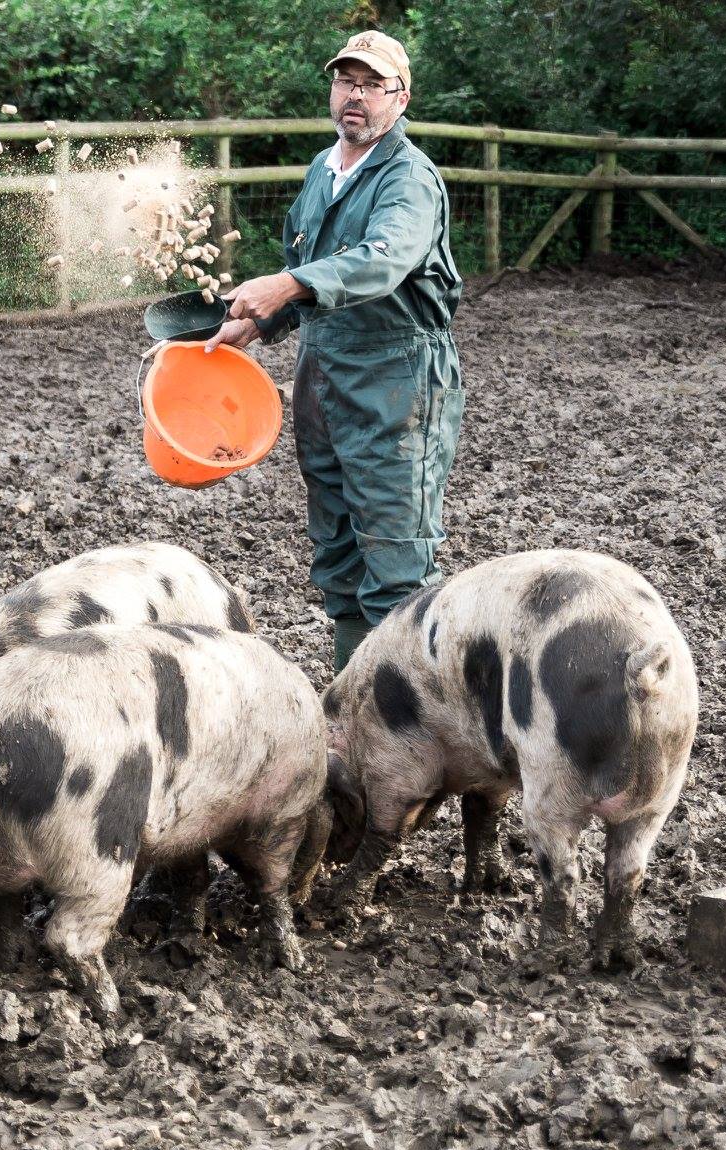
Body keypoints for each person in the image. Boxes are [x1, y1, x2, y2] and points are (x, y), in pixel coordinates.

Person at [208, 30, 465, 672]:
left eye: (372, 84)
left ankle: (405, 717)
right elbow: (314, 270)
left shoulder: (408, 180)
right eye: (347, 81)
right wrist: (261, 325)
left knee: (395, 552)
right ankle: (355, 691)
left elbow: (380, 261)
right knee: (338, 550)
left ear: (399, 99)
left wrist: (287, 284)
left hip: (396, 384)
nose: (356, 95)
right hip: (323, 382)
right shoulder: (323, 172)